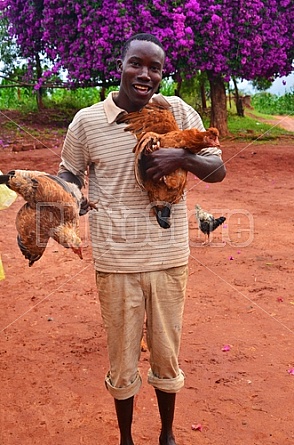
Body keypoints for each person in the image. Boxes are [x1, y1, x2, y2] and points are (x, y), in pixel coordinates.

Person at [58, 33, 226, 445]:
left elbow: (217, 167)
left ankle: (167, 434)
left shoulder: (178, 111)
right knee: (122, 360)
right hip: (116, 261)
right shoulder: (88, 121)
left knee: (167, 355)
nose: (145, 74)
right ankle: (126, 438)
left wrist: (182, 157)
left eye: (155, 68)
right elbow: (68, 173)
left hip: (169, 258)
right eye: (137, 63)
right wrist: (64, 193)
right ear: (121, 64)